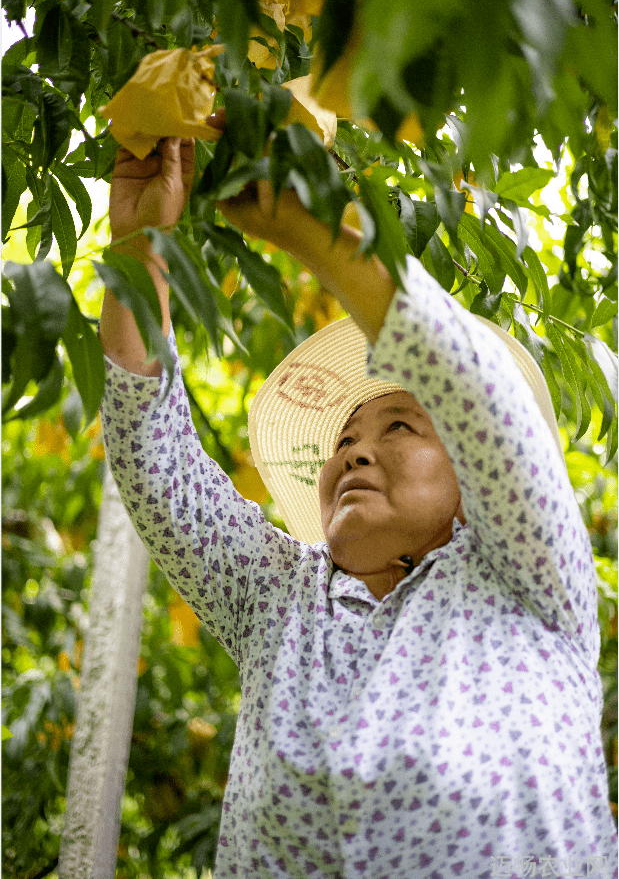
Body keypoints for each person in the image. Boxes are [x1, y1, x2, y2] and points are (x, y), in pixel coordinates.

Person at [99, 131, 617, 879]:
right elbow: (155, 458)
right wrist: (140, 250)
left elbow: (479, 399)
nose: (353, 452)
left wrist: (313, 233)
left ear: (475, 482)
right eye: (342, 439)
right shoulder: (280, 599)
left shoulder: (526, 580)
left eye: (399, 425)